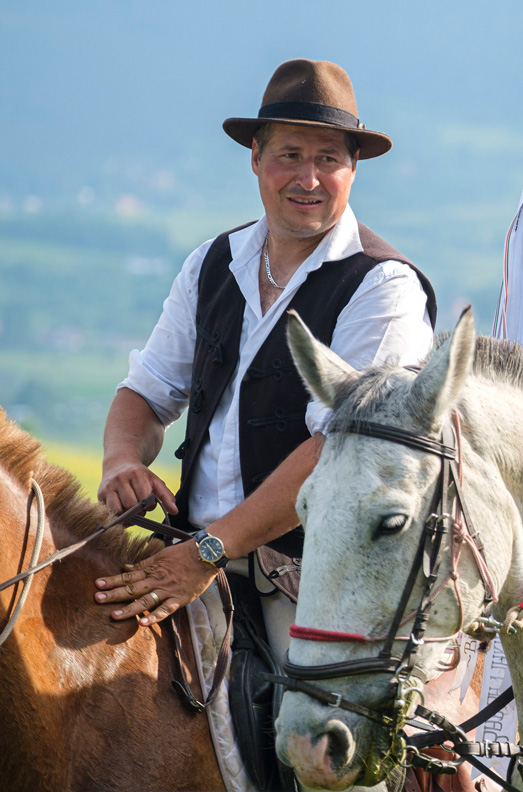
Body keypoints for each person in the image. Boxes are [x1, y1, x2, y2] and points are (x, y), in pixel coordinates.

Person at [93, 59, 437, 663]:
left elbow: (338, 451)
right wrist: (121, 458)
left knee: (311, 743)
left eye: (328, 158)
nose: (308, 177)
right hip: (185, 549)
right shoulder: (212, 262)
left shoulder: (384, 287)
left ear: (353, 167)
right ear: (256, 157)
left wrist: (210, 551)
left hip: (312, 578)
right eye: (289, 155)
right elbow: (146, 393)